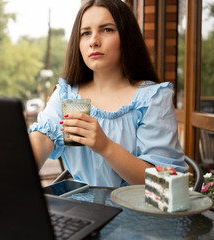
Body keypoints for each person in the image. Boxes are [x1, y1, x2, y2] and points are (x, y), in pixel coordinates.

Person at [29, 0, 188, 187]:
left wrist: (105, 146)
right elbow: (43, 139)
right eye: (85, 33)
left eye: (107, 30)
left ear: (127, 37)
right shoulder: (69, 95)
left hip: (138, 212)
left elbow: (163, 185)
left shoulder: (151, 98)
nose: (94, 41)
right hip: (85, 210)